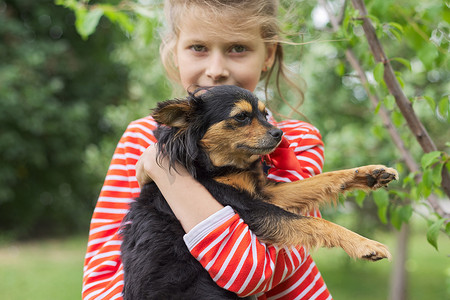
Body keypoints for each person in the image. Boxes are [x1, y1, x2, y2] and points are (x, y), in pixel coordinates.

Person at [82, 0, 332, 299]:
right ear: (174, 51)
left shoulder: (295, 142)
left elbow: (252, 274)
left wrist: (164, 169)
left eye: (238, 48)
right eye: (198, 47)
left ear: (269, 54)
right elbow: (101, 276)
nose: (216, 71)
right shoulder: (139, 138)